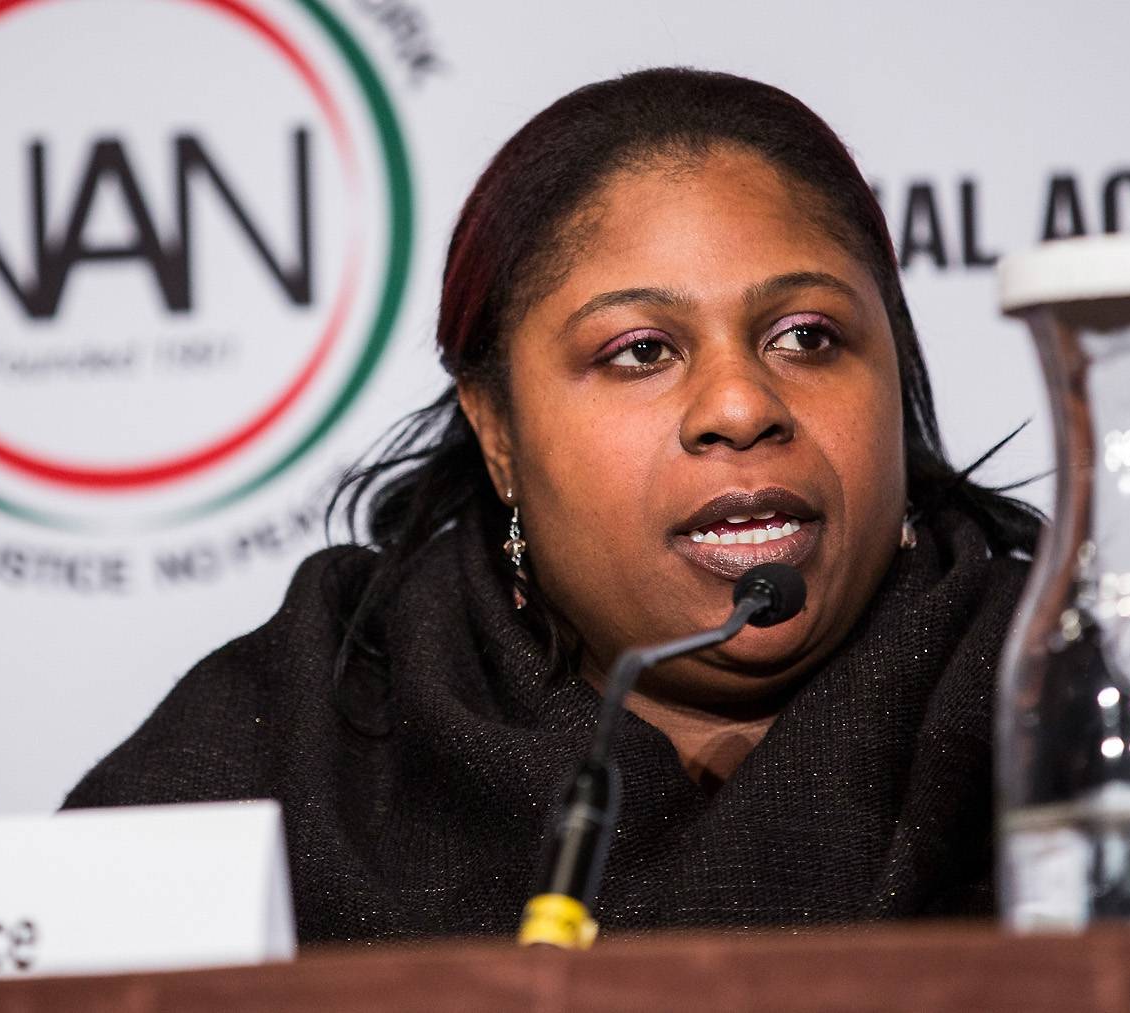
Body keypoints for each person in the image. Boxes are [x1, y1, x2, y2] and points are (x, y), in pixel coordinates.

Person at [64, 67, 1047, 943]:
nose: (742, 405)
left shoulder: (1067, 685)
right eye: (641, 351)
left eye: (807, 336)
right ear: (498, 430)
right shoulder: (303, 737)